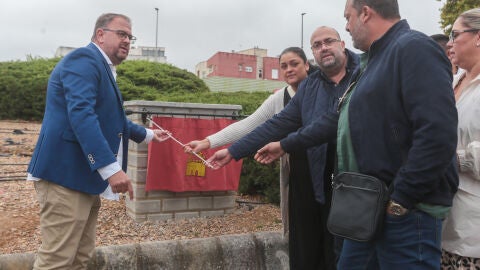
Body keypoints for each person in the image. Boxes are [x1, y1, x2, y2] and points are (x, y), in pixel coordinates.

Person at [207, 26, 360, 270]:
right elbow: (277, 123)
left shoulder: (364, 74)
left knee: (349, 254)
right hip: (317, 179)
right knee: (313, 247)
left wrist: (284, 144)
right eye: (317, 45)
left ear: (342, 43)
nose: (324, 48)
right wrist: (233, 151)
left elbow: (335, 122)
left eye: (329, 41)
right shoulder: (311, 87)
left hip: (358, 182)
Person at [27, 13, 170, 269]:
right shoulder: (84, 60)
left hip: (82, 178)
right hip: (65, 176)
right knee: (57, 261)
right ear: (100, 35)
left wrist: (147, 135)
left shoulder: (102, 67)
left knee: (81, 258)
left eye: (130, 36)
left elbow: (111, 119)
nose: (127, 40)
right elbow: (81, 114)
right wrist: (111, 168)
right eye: (122, 34)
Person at [334, 0, 458, 269]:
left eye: (348, 17)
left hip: (405, 214)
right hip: (368, 211)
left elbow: (438, 133)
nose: (346, 26)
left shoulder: (413, 47)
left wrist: (401, 200)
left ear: (365, 13)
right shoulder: (374, 61)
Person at [185, 47, 310, 239]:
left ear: (307, 65)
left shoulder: (322, 92)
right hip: (294, 168)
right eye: (284, 66)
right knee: (297, 226)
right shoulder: (279, 98)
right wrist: (208, 142)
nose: (289, 70)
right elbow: (250, 124)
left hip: (322, 165)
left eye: (295, 64)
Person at [441, 8, 480, 269]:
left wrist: (453, 158)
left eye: (455, 34)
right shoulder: (455, 80)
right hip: (445, 220)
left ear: (478, 37)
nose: (450, 43)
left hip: (473, 231)